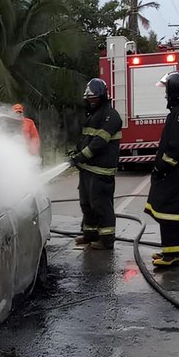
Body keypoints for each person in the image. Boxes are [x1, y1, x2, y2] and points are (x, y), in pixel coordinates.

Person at [145, 71, 179, 267]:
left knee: (168, 212)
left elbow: (175, 147)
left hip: (174, 173)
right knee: (177, 215)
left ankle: (172, 255)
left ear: (175, 89)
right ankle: (177, 250)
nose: (166, 94)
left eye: (167, 90)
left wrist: (161, 168)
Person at [69, 78, 123, 250]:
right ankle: (90, 235)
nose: (91, 101)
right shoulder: (93, 115)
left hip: (102, 170)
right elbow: (86, 139)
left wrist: (81, 157)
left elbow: (99, 143)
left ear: (102, 96)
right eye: (89, 98)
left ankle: (106, 240)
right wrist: (76, 152)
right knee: (86, 204)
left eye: (94, 98)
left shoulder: (111, 116)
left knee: (101, 205)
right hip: (87, 170)